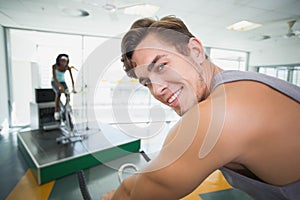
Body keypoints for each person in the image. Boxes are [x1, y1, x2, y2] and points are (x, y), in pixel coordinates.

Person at [102, 16, 300, 200]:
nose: (158, 89)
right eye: (146, 82)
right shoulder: (240, 85)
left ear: (195, 51)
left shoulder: (220, 115)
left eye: (161, 66)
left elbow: (132, 194)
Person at [51, 54, 76, 120]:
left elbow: (72, 78)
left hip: (62, 82)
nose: (63, 62)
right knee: (58, 93)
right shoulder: (54, 66)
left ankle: (67, 106)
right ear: (59, 61)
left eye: (65, 61)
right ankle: (56, 111)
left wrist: (74, 88)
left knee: (67, 94)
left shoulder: (67, 68)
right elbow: (55, 78)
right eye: (62, 61)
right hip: (54, 81)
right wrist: (60, 86)